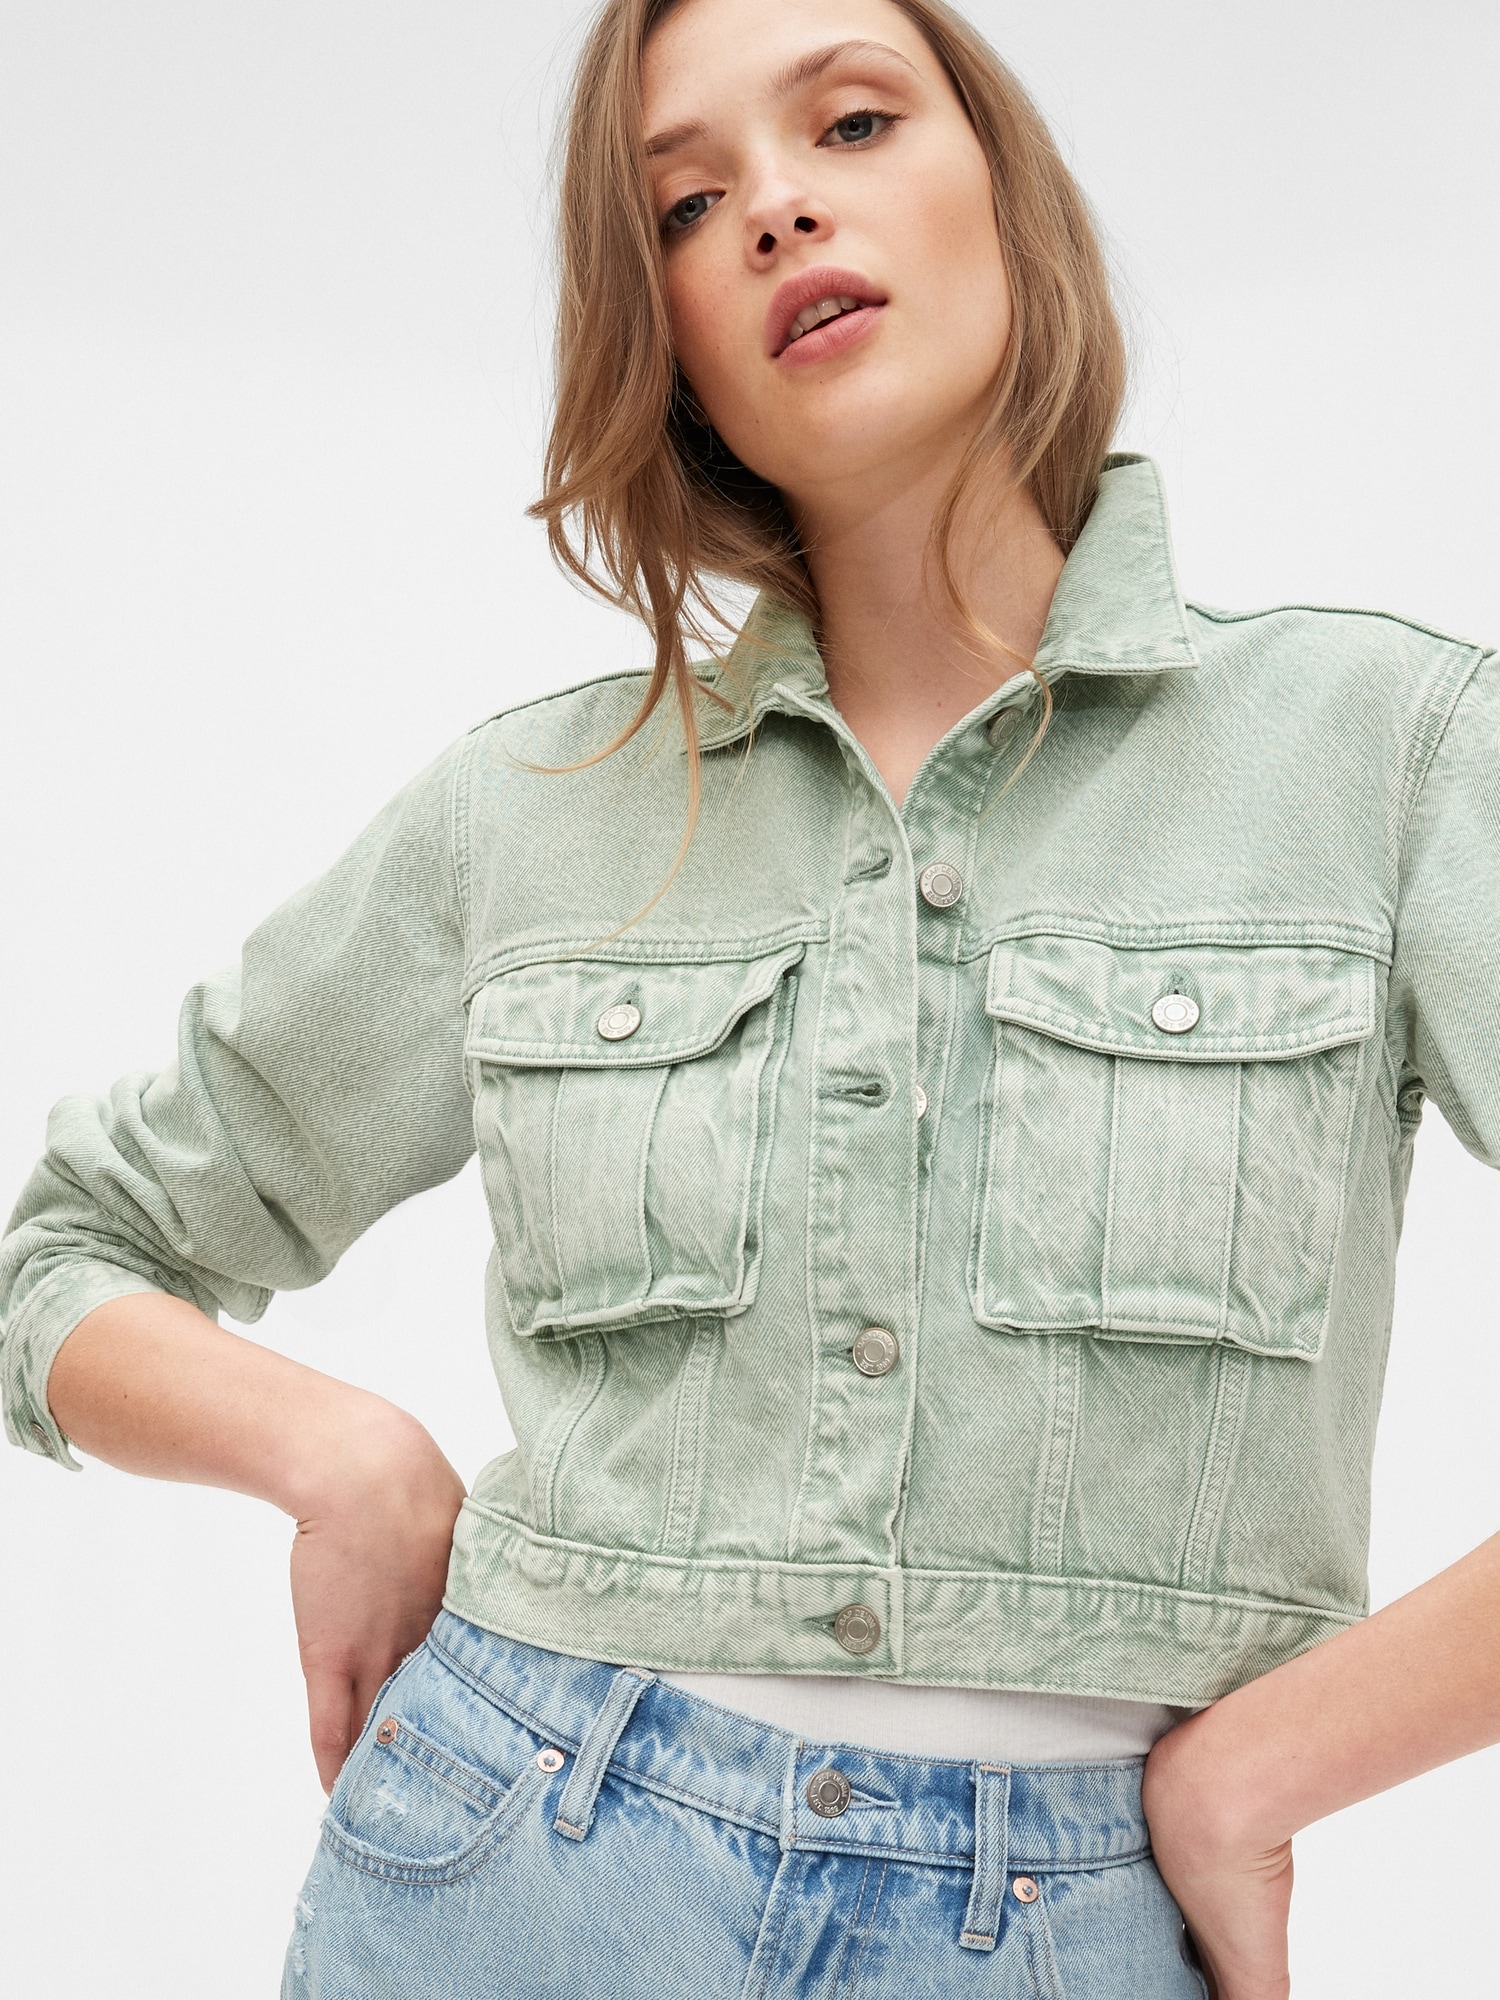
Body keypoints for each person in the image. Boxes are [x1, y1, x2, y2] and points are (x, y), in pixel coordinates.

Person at [3, 0, 1497, 1993]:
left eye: (852, 123)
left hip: (1069, 1921)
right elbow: (69, 1252)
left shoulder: (1389, 753)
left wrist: (1257, 1776)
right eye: (688, 208)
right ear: (673, 347)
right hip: (512, 1870)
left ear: (1005, 189)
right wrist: (337, 1454)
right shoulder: (530, 809)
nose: (777, 209)